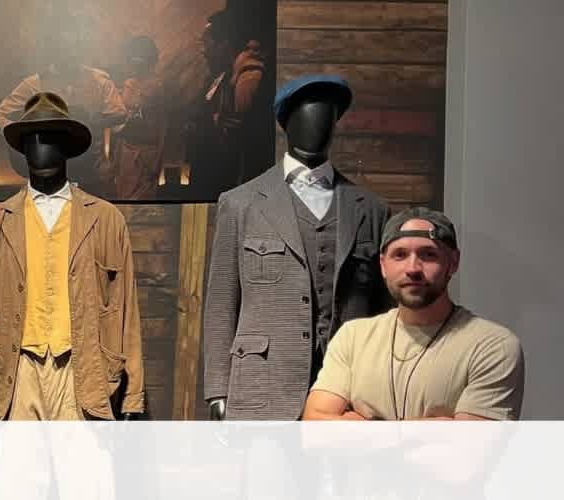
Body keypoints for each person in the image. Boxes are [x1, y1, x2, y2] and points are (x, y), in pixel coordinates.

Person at [202, 75, 390, 420]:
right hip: (263, 385)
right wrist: (217, 388)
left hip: (350, 389)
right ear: (286, 123)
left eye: (328, 115)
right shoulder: (240, 204)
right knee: (268, 476)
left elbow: (382, 308)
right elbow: (221, 303)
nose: (319, 124)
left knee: (346, 475)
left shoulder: (371, 210)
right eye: (308, 113)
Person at [0, 92, 145, 421]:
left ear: (66, 145)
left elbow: (125, 313)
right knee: (20, 473)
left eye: (50, 137)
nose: (41, 146)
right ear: (22, 147)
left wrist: (132, 400)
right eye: (32, 138)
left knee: (85, 473)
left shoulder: (105, 220)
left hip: (83, 372)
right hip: (18, 374)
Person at [303, 208, 525, 420]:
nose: (413, 268)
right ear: (383, 265)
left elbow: (470, 447)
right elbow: (314, 424)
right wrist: (420, 431)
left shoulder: (492, 345)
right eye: (400, 255)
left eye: (428, 255)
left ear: (453, 262)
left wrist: (364, 427)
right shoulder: (353, 337)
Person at [0, 16, 127, 195]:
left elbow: (120, 113)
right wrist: (24, 133)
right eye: (64, 47)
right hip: (48, 179)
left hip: (92, 174)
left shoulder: (99, 80)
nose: (70, 52)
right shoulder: (34, 83)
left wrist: (92, 123)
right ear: (53, 50)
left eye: (74, 46)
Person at [185, 2, 272, 190]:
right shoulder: (218, 77)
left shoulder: (248, 77)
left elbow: (239, 134)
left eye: (207, 44)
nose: (203, 50)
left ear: (224, 44)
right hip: (207, 173)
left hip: (225, 181)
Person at [106, 35, 167, 200]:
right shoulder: (129, 83)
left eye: (138, 56)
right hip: (126, 148)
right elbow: (120, 118)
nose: (134, 61)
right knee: (123, 196)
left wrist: (158, 159)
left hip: (146, 152)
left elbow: (162, 126)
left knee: (141, 199)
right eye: (131, 56)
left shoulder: (157, 86)